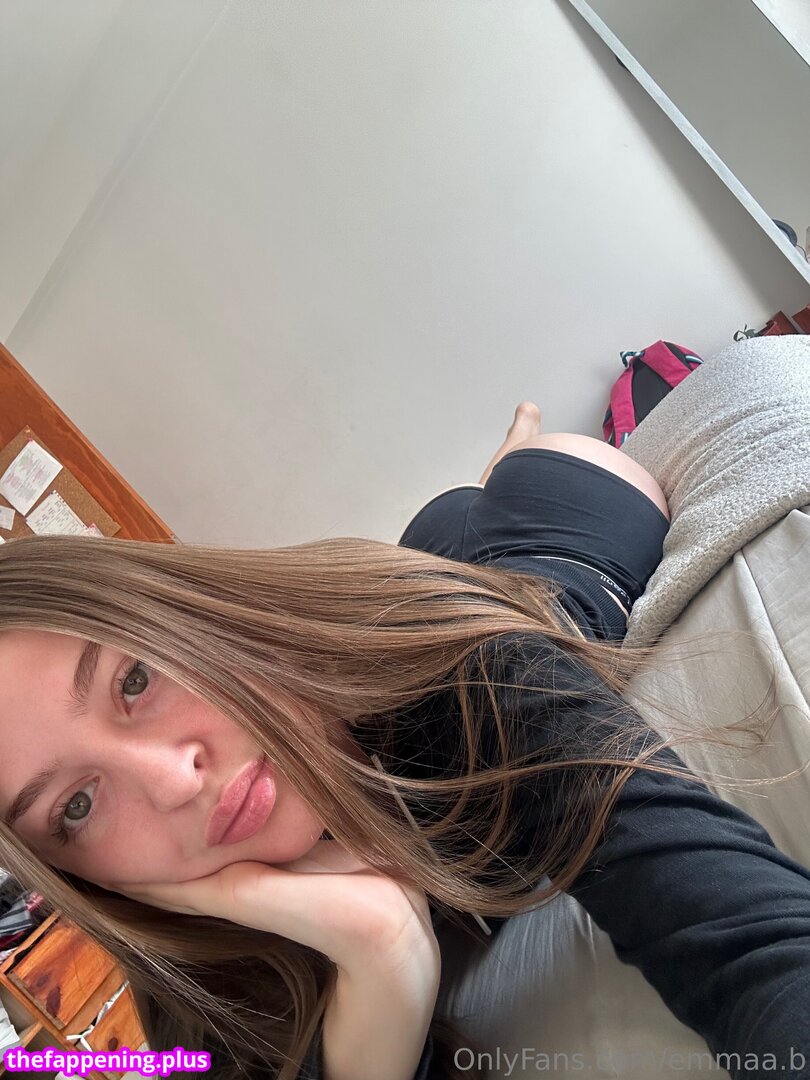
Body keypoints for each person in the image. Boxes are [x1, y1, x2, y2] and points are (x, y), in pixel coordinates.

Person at [0, 401, 808, 1080]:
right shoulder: (190, 985)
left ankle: (514, 451)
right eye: (76, 805)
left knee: (495, 519)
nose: (173, 781)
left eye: (135, 680)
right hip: (421, 577)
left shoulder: (467, 682)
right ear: (73, 874)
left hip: (557, 525)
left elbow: (750, 947)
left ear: (186, 620)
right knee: (438, 548)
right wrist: (386, 970)